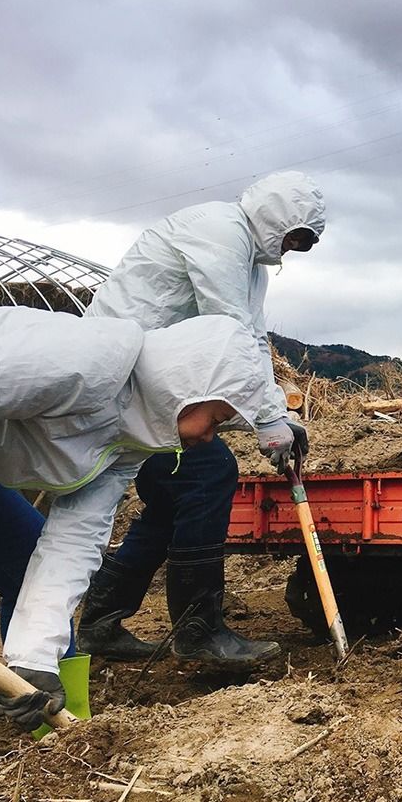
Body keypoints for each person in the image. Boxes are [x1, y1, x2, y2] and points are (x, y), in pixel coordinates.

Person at [0, 307, 269, 730]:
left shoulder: (132, 442)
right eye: (215, 418)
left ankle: (60, 740)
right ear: (192, 383)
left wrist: (35, 657)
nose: (208, 437)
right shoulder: (90, 358)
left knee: (24, 557)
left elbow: (74, 540)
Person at [79, 171, 326, 667]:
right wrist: (264, 420)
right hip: (126, 377)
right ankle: (200, 632)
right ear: (275, 215)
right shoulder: (219, 231)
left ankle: (102, 619)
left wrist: (273, 415)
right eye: (295, 237)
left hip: (159, 381)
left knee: (173, 495)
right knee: (208, 472)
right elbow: (229, 331)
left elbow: (252, 340)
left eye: (305, 244)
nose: (294, 250)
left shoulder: (249, 259)